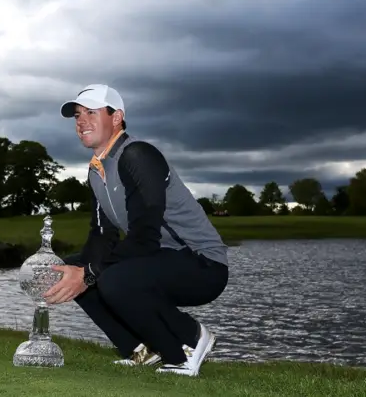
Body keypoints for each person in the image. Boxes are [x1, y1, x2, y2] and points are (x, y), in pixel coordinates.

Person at [43, 84, 229, 377]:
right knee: (71, 267)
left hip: (202, 263)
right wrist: (80, 270)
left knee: (112, 278)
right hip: (159, 259)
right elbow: (101, 236)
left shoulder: (138, 155)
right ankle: (142, 349)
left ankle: (188, 343)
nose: (81, 121)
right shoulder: (96, 170)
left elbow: (144, 237)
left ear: (116, 117)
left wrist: (91, 273)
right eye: (78, 115)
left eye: (91, 112)